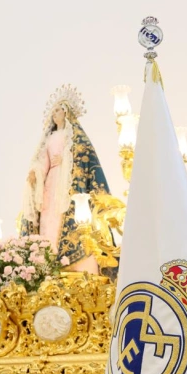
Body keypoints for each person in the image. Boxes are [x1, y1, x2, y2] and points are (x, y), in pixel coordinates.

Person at [20, 85, 111, 273]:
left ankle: (72, 262)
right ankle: (49, 259)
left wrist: (66, 158)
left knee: (65, 217)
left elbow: (83, 156)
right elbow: (42, 161)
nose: (54, 114)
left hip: (68, 182)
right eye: (53, 111)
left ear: (66, 112)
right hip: (51, 183)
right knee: (48, 218)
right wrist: (36, 173)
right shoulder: (50, 137)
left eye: (58, 110)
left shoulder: (75, 136)